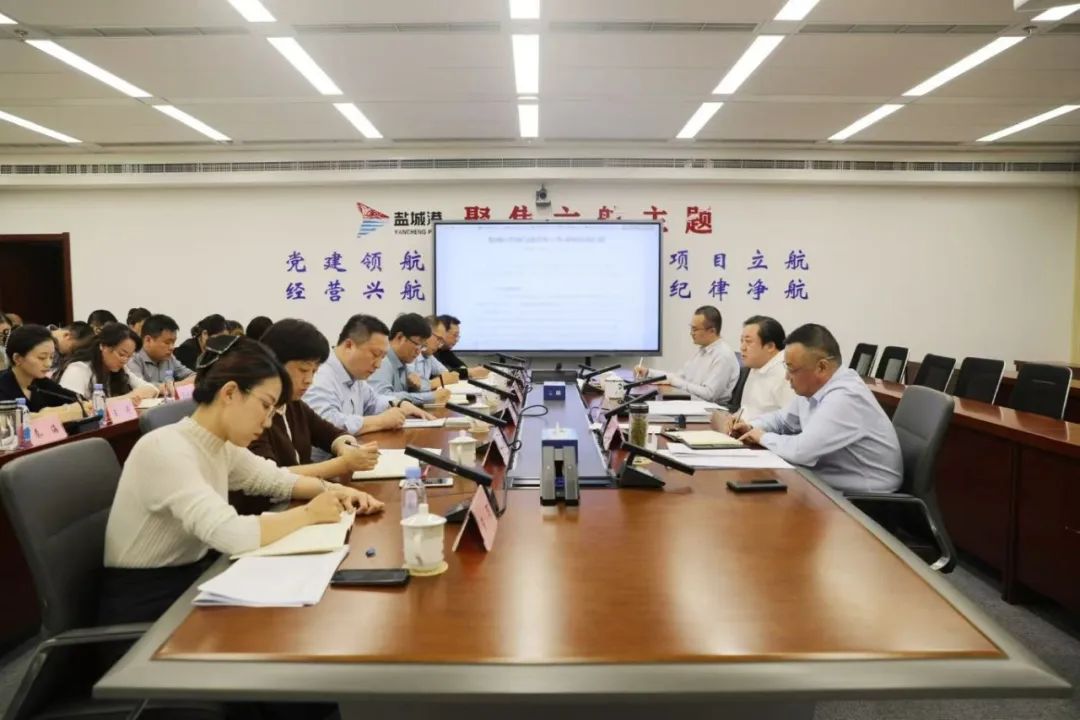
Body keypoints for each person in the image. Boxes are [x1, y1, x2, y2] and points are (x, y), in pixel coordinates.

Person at [100, 334, 383, 626]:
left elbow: (279, 480)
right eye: (265, 405)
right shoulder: (165, 449)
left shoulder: (220, 446)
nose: (268, 421)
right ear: (230, 393)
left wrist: (338, 491)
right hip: (145, 611)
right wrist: (310, 513)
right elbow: (232, 534)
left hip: (191, 584)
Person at [732, 323, 903, 494]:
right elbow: (782, 420)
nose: (787, 377)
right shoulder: (813, 389)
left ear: (821, 367)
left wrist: (762, 437)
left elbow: (801, 451)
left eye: (791, 369)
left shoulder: (846, 396)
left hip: (865, 499)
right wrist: (751, 426)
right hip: (827, 482)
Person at [251, 319, 380, 480]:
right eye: (303, 370)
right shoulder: (253, 413)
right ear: (274, 363)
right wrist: (343, 464)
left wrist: (347, 448)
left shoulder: (293, 404)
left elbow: (331, 433)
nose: (309, 380)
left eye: (314, 371)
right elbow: (270, 478)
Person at [303, 315, 433, 452]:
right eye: (375, 355)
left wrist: (399, 403)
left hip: (352, 453)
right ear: (349, 345)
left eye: (382, 357)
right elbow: (326, 424)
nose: (378, 365)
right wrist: (380, 421)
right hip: (325, 461)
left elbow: (373, 401)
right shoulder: (320, 374)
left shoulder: (355, 374)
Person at [635, 305, 740, 405]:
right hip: (694, 403)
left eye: (695, 329)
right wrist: (648, 372)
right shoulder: (702, 351)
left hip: (712, 409)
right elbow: (679, 377)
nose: (691, 333)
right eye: (691, 328)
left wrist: (675, 382)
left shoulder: (723, 356)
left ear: (712, 331)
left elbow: (709, 395)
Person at [712, 316, 795, 430]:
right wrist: (735, 418)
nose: (742, 348)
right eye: (741, 341)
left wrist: (751, 427)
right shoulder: (755, 365)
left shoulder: (787, 373)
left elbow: (791, 423)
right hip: (743, 432)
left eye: (748, 341)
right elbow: (748, 409)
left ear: (770, 346)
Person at [0, 324, 88, 419]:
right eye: (42, 358)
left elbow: (83, 403)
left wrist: (53, 412)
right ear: (17, 358)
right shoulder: (3, 386)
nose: (48, 364)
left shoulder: (42, 384)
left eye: (51, 357)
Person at [56, 322, 158, 401]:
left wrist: (137, 394)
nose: (125, 360)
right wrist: (127, 398)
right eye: (121, 354)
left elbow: (152, 389)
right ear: (103, 346)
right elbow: (75, 408)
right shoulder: (78, 369)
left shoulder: (121, 369)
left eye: (129, 356)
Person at [369, 313, 451, 406]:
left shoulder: (402, 361)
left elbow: (418, 385)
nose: (419, 351)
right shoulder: (383, 360)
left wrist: (415, 387)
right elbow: (384, 398)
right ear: (400, 337)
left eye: (422, 347)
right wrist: (430, 397)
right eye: (417, 345)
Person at [127, 314, 196, 387]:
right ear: (148, 340)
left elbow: (194, 376)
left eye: (173, 342)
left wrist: (173, 386)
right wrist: (171, 386)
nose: (172, 347)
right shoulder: (133, 358)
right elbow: (141, 388)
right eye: (167, 342)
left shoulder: (170, 358)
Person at [409, 315, 462, 394]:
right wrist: (439, 381)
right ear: (426, 333)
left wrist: (441, 379)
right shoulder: (410, 354)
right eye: (438, 339)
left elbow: (447, 374)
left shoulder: (429, 356)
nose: (439, 345)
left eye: (442, 341)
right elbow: (415, 387)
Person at [431, 315, 489, 379]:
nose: (457, 340)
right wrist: (469, 372)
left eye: (458, 336)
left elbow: (461, 367)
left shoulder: (445, 351)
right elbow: (440, 375)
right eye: (455, 335)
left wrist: (471, 371)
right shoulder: (430, 351)